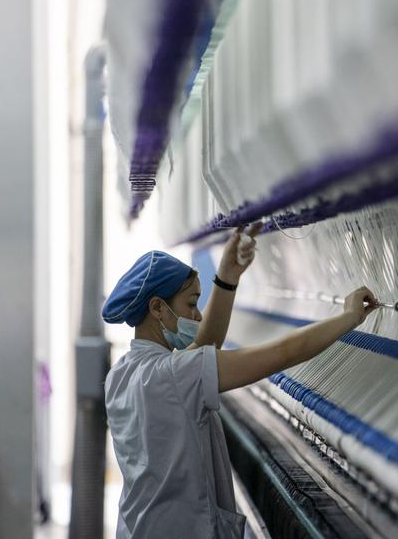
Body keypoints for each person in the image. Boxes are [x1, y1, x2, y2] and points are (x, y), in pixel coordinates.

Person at [101, 223, 378, 538]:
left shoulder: (122, 374)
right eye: (191, 304)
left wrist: (228, 277)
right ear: (157, 308)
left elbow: (203, 348)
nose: (198, 316)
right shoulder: (177, 375)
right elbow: (286, 352)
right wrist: (349, 317)